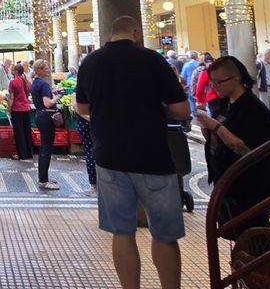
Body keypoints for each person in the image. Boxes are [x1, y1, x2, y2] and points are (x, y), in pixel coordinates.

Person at [75, 16, 189, 289]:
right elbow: (182, 109)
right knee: (164, 234)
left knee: (122, 233)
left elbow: (82, 108)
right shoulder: (152, 59)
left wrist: (105, 116)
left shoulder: (90, 62)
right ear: (135, 32)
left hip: (109, 156)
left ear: (110, 33)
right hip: (153, 156)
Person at [196, 56, 270, 238]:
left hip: (251, 187)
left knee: (253, 240)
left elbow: (247, 149)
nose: (215, 86)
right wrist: (208, 129)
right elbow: (217, 139)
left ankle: (256, 267)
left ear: (237, 78)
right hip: (228, 184)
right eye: (212, 82)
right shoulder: (224, 105)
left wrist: (215, 126)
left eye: (219, 82)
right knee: (237, 237)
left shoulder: (253, 109)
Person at [30, 59, 60, 191]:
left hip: (39, 115)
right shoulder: (43, 84)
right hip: (46, 116)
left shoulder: (35, 83)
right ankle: (43, 180)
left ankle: (44, 177)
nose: (49, 70)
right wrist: (56, 98)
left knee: (44, 148)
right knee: (46, 149)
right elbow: (48, 103)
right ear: (40, 70)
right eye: (47, 68)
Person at [8, 63, 33, 160]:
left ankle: (22, 154)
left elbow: (11, 98)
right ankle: (29, 153)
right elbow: (27, 94)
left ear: (16, 71)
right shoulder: (26, 81)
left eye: (13, 70)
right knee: (27, 130)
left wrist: (8, 110)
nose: (12, 71)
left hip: (17, 109)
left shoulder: (13, 82)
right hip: (26, 108)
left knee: (19, 132)